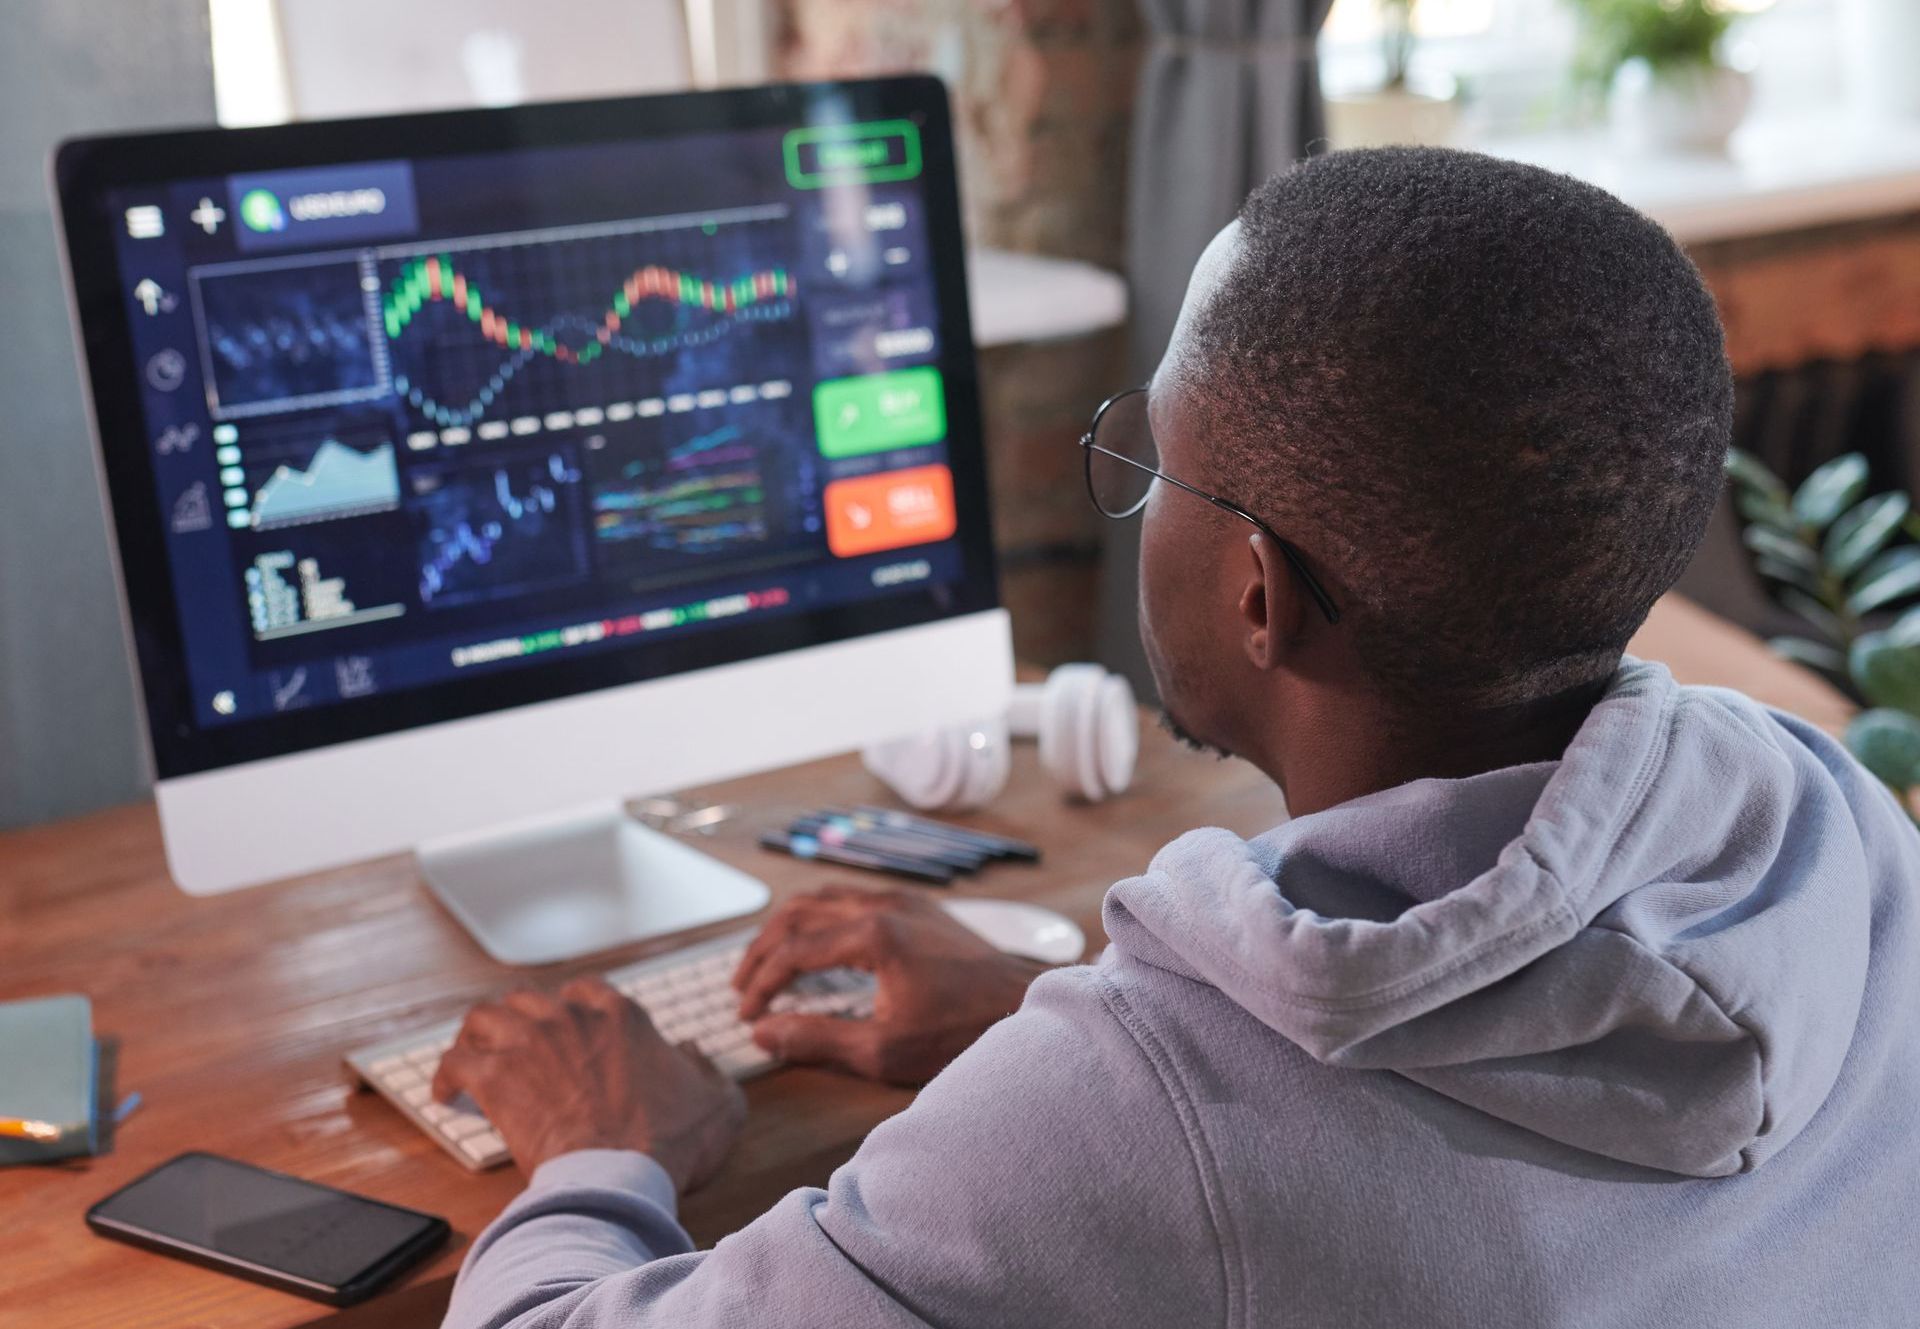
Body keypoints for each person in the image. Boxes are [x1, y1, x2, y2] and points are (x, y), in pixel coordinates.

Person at [435, 147, 1920, 1328]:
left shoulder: (1134, 1112)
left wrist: (594, 1148)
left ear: (1256, 589)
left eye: (1153, 455)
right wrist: (1051, 997)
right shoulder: (1832, 819)